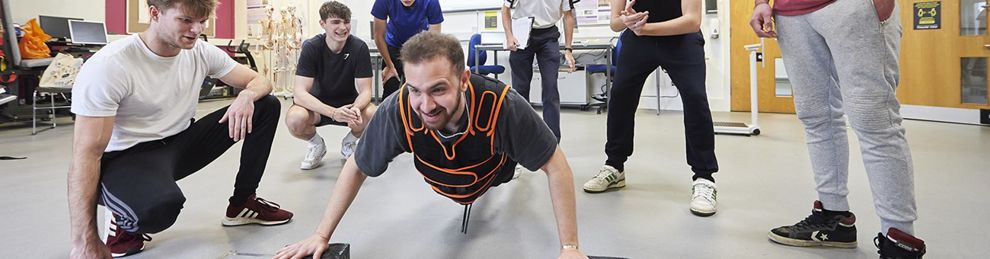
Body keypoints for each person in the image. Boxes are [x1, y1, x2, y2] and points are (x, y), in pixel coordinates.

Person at [274, 32, 588, 259]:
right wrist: (321, 235)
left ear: (464, 79)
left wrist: (570, 248)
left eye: (438, 89)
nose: (425, 105)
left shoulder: (503, 106)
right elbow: (356, 166)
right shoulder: (398, 109)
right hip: (442, 175)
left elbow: (555, 164)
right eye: (415, 90)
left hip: (494, 170)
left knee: (512, 176)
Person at [67, 0, 292, 257]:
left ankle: (242, 203)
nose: (196, 29)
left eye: (202, 21)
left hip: (179, 143)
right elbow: (86, 153)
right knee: (159, 209)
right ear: (154, 13)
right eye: (185, 20)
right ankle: (124, 214)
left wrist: (246, 96)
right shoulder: (110, 65)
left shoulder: (200, 51)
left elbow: (260, 80)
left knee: (266, 104)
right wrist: (84, 240)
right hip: (128, 157)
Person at [750, 0, 926, 257]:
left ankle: (900, 238)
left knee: (874, 119)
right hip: (790, 14)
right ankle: (833, 217)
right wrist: (761, 2)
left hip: (850, 6)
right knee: (816, 117)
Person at [581, 0, 720, 217]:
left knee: (695, 98)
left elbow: (692, 21)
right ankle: (615, 167)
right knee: (620, 97)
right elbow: (615, 23)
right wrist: (626, 21)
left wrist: (645, 29)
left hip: (681, 39)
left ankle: (704, 178)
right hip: (639, 40)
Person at [286, 1, 376, 170]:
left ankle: (349, 144)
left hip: (349, 107)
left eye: (346, 21)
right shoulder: (312, 47)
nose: (343, 27)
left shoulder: (359, 47)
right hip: (317, 108)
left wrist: (356, 108)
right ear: (323, 24)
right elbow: (299, 94)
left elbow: (366, 91)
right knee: (295, 119)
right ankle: (316, 144)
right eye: (336, 22)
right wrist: (333, 113)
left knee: (372, 114)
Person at [501, 0, 577, 141]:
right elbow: (505, 9)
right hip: (522, 33)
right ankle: (522, 139)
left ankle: (552, 141)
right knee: (520, 90)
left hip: (548, 35)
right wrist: (509, 36)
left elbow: (568, 16)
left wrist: (568, 49)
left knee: (550, 88)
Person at [371, 0, 444, 99]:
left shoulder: (431, 2)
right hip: (393, 47)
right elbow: (378, 35)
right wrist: (389, 65)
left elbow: (434, 38)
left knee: (415, 90)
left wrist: (425, 65)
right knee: (390, 90)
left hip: (419, 49)